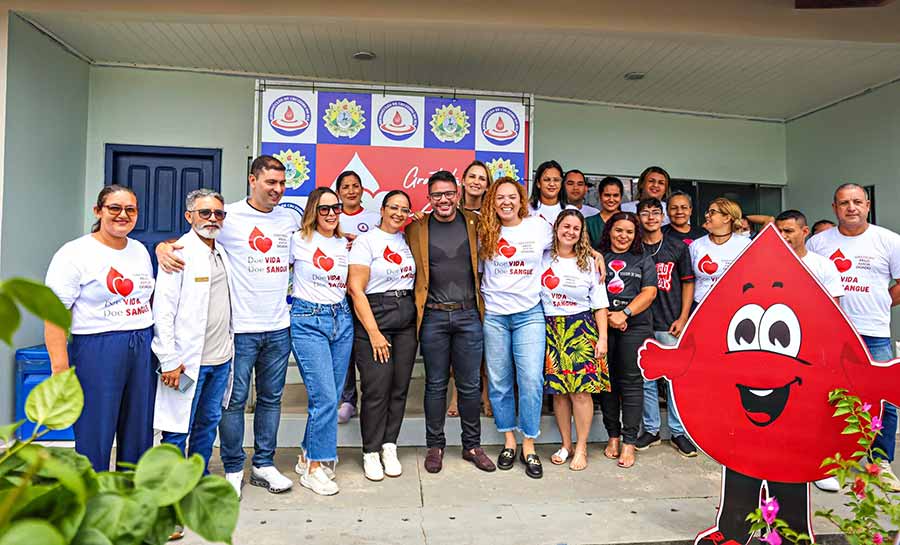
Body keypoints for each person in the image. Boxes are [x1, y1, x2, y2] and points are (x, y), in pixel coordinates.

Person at [157, 155, 299, 498]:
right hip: (241, 331)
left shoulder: (290, 218)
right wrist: (161, 247)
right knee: (232, 403)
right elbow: (187, 241)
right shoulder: (229, 216)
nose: (277, 189)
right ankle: (234, 467)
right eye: (270, 182)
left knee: (271, 399)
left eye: (282, 183)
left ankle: (263, 464)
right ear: (253, 180)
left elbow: (316, 242)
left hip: (279, 326)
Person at [45, 185, 156, 472]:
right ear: (98, 211)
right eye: (114, 208)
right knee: (96, 428)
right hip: (97, 348)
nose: (123, 215)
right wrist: (60, 369)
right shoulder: (75, 253)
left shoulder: (140, 250)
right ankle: (92, 498)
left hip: (142, 344)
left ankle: (131, 496)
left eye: (130, 209)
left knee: (138, 430)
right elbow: (54, 314)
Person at [808, 183, 900, 490]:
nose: (851, 208)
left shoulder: (888, 241)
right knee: (828, 397)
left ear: (868, 205)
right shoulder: (819, 242)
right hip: (831, 334)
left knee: (885, 400)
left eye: (857, 202)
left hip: (874, 332)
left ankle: (880, 461)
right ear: (834, 208)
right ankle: (829, 460)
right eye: (844, 202)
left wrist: (884, 300)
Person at [406, 171, 495, 474]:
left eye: (448, 194)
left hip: (469, 314)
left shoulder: (474, 223)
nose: (443, 200)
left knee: (469, 385)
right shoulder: (417, 228)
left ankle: (472, 445)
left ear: (457, 194)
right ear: (429, 198)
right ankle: (436, 445)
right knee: (435, 384)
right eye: (436, 195)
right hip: (432, 315)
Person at [480, 177, 554, 478]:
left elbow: (569, 244)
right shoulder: (485, 231)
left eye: (511, 196)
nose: (506, 202)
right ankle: (508, 439)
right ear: (492, 202)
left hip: (529, 314)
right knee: (499, 382)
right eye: (499, 198)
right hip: (495, 315)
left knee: (531, 380)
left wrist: (595, 255)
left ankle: (529, 443)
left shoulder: (538, 226)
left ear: (521, 199)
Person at [347, 190, 418, 482]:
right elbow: (355, 289)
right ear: (383, 209)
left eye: (404, 209)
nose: (399, 213)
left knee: (399, 388)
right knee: (376, 389)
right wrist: (374, 333)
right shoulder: (366, 241)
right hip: (375, 316)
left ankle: (390, 445)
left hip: (406, 319)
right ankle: (371, 451)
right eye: (394, 208)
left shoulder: (408, 240)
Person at [774, 209, 844, 493]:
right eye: (779, 231)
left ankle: (819, 466)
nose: (783, 237)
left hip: (813, 348)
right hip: (778, 347)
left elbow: (835, 310)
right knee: (780, 404)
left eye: (788, 231)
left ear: (805, 232)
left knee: (814, 409)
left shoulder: (823, 265)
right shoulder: (768, 265)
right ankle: (780, 461)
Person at [289, 187, 353, 496]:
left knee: (333, 395)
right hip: (308, 320)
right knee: (325, 397)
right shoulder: (297, 240)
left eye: (335, 208)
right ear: (313, 210)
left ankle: (305, 455)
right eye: (324, 208)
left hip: (342, 320)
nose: (330, 214)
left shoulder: (343, 243)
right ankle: (315, 467)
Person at [541, 209, 609, 471]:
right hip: (550, 328)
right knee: (559, 393)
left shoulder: (590, 262)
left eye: (575, 228)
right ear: (556, 227)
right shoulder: (543, 256)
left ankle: (581, 447)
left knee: (581, 392)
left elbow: (600, 304)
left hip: (580, 328)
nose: (570, 232)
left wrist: (602, 339)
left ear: (582, 233)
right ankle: (565, 444)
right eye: (565, 226)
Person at [634, 198, 697, 457]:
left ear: (663, 217)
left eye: (655, 213)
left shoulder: (677, 247)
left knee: (673, 379)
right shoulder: (634, 248)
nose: (650, 217)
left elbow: (688, 282)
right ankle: (651, 429)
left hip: (670, 321)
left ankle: (678, 431)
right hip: (640, 322)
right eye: (645, 213)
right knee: (646, 379)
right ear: (638, 216)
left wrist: (683, 317)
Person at [598, 212, 658, 468]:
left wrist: (624, 313)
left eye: (629, 232)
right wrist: (609, 317)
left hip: (635, 326)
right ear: (610, 230)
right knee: (607, 383)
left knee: (632, 384)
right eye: (619, 230)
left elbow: (650, 292)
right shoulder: (598, 256)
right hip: (603, 324)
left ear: (635, 235)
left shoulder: (643, 258)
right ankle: (612, 435)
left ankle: (629, 441)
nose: (623, 236)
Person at [448, 160, 495, 418]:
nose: (477, 182)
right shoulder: (450, 212)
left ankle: (486, 396)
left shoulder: (493, 214)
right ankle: (456, 396)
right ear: (463, 181)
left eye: (482, 178)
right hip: (458, 285)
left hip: (487, 286)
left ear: (487, 185)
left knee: (486, 344)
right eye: (472, 177)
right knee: (460, 344)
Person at [336, 170, 380, 424]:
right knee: (345, 349)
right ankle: (348, 399)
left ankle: (370, 397)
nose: (351, 191)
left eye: (355, 186)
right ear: (339, 191)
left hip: (368, 292)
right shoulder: (332, 217)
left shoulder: (374, 219)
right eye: (345, 186)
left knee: (366, 347)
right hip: (339, 292)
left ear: (363, 190)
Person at [690, 198, 751, 306]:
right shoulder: (696, 245)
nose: (707, 215)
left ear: (727, 218)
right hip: (699, 306)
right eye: (707, 212)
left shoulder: (745, 244)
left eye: (712, 212)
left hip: (733, 306)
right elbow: (688, 282)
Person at [528, 160, 571, 225]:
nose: (552, 184)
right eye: (547, 180)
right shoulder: (527, 209)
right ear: (538, 183)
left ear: (561, 183)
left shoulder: (571, 210)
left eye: (556, 180)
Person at [586, 176, 624, 250]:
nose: (611, 200)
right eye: (607, 195)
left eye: (615, 195)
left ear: (621, 197)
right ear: (600, 196)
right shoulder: (589, 223)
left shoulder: (630, 220)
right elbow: (584, 249)